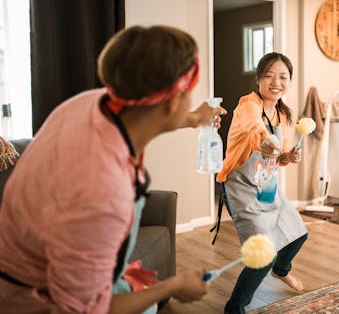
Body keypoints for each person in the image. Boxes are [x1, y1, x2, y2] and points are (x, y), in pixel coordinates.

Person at [0, 25, 226, 313]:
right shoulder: (105, 191)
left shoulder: (89, 103)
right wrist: (172, 286)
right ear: (171, 102)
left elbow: (146, 115)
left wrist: (195, 118)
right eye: (189, 94)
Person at [215, 52, 308, 314]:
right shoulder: (248, 104)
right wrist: (266, 142)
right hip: (240, 186)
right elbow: (254, 129)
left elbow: (280, 152)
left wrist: (288, 155)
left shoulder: (280, 113)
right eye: (269, 75)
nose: (276, 82)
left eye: (283, 77)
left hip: (266, 185)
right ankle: (234, 307)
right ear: (258, 79)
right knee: (262, 254)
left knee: (298, 234)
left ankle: (282, 270)